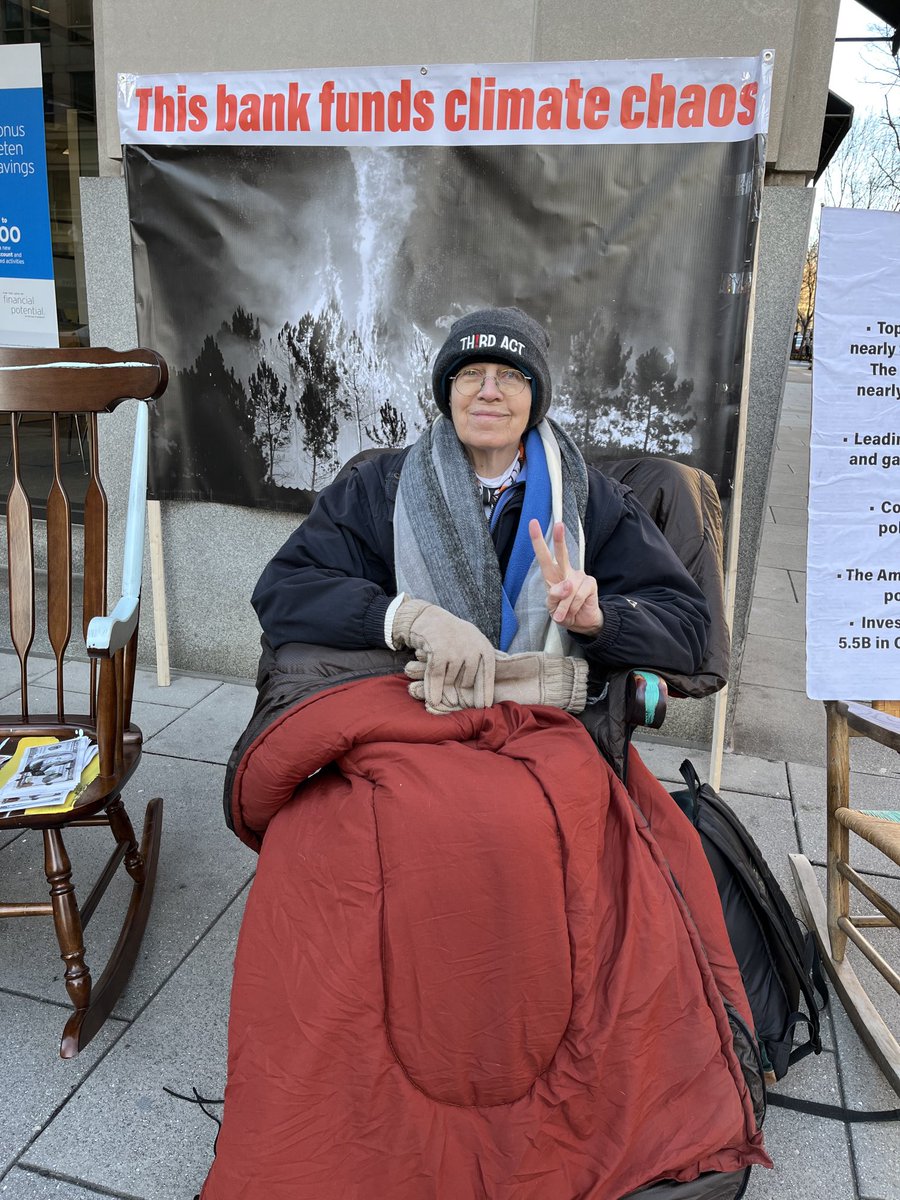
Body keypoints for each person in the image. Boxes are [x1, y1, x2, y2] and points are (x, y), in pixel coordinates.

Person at [252, 305, 710, 711]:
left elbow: (687, 630)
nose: (488, 391)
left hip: (547, 725)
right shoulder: (378, 487)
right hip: (410, 713)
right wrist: (407, 619)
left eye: (511, 375)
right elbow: (284, 591)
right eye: (470, 373)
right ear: (448, 393)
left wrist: (599, 621)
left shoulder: (592, 501)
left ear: (535, 399)